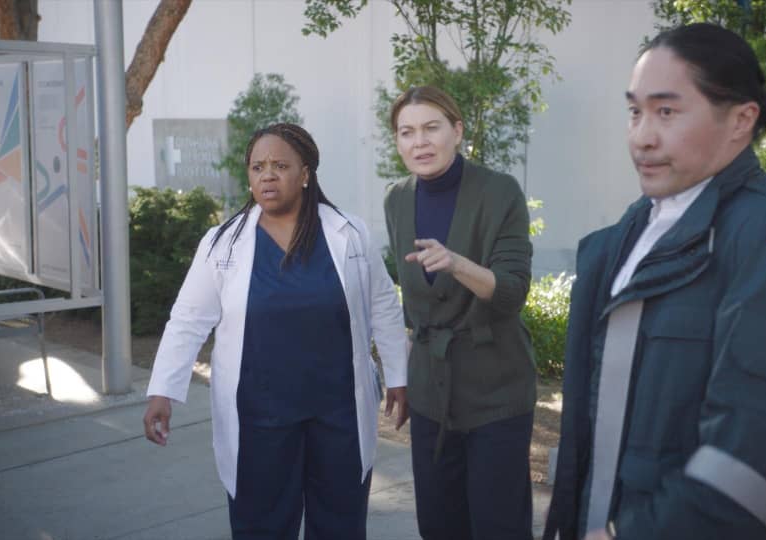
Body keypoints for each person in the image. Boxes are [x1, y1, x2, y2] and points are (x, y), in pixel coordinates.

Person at [543, 23, 766, 540]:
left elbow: (753, 464)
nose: (642, 136)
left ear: (741, 120)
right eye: (635, 112)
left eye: (666, 112)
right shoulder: (631, 233)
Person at [143, 123, 408, 540]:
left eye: (280, 166)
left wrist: (398, 376)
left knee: (340, 525)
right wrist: (163, 391)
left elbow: (384, 307)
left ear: (305, 174)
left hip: (338, 413)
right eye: (257, 167)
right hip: (259, 418)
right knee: (261, 527)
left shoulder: (349, 234)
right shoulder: (223, 243)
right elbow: (188, 320)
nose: (267, 175)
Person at [384, 86, 537, 540]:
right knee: (438, 524)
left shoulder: (499, 191)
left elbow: (512, 293)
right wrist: (404, 376)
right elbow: (415, 307)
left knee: (498, 527)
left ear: (457, 130)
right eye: (406, 132)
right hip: (431, 391)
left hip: (497, 389)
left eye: (431, 128)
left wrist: (456, 263)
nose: (419, 142)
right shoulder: (397, 199)